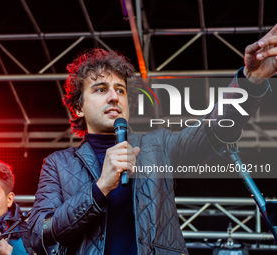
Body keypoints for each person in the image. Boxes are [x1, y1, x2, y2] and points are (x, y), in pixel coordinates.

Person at [27, 24, 277, 255]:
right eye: (101, 89)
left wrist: (251, 81)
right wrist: (100, 188)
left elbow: (214, 131)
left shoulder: (159, 146)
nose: (114, 97)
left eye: (121, 90)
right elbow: (38, 234)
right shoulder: (57, 164)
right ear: (78, 108)